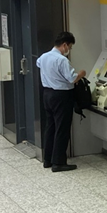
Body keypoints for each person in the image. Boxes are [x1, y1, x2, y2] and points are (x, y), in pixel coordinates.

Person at [36, 31, 86, 173]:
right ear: (64, 45)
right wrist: (81, 74)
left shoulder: (44, 56)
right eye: (70, 47)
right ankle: (58, 162)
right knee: (62, 129)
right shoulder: (62, 60)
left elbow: (38, 64)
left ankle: (48, 159)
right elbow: (72, 78)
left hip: (47, 94)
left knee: (50, 127)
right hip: (61, 96)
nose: (69, 50)